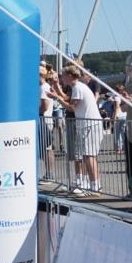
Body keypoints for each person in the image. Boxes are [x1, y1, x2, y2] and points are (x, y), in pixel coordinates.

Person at [49, 66, 102, 195]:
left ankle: (95, 186)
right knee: (87, 155)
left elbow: (71, 107)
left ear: (71, 76)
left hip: (90, 125)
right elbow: (69, 100)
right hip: (86, 124)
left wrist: (57, 98)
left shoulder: (78, 87)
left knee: (89, 156)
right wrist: (57, 93)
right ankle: (93, 185)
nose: (62, 77)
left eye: (63, 75)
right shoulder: (77, 87)